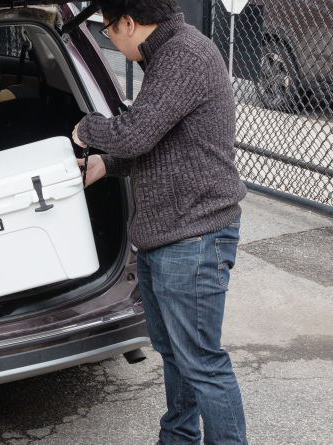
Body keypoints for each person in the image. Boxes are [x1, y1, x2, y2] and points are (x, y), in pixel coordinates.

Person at [72, 0, 248, 444]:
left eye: (107, 30)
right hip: (169, 236)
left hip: (193, 235)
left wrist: (86, 129)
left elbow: (135, 133)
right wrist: (105, 166)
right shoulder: (169, 55)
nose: (108, 38)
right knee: (176, 355)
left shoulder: (184, 56)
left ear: (129, 23)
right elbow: (163, 144)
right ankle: (178, 438)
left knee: (202, 363)